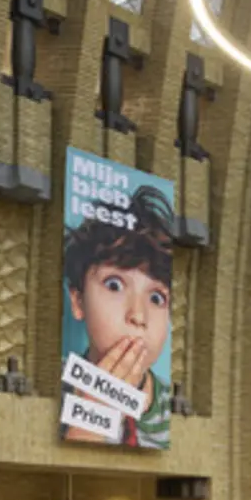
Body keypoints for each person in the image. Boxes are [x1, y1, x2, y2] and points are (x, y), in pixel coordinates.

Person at [62, 184, 173, 447]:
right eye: (114, 285)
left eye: (156, 298)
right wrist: (93, 415)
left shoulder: (174, 406)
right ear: (78, 301)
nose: (137, 315)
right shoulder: (56, 386)